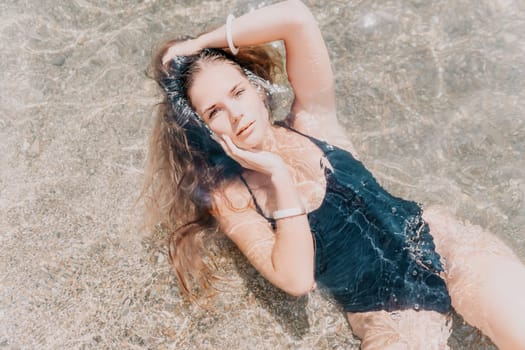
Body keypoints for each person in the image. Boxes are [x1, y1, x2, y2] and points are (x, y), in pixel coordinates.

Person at [142, 1, 525, 348]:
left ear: (259, 91)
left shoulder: (312, 121)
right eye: (214, 111)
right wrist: (276, 175)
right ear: (205, 129)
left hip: (444, 246)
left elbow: (296, 17)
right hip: (389, 314)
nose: (236, 113)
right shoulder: (234, 197)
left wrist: (199, 44)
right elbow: (295, 279)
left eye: (238, 93)